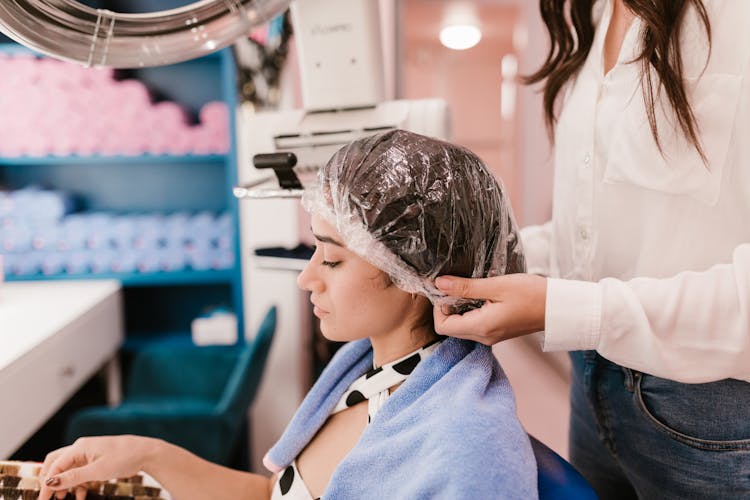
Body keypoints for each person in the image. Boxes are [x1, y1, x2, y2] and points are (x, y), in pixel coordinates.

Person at [37, 130, 537, 500]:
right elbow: (276, 495)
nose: (307, 278)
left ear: (417, 273)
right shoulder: (368, 376)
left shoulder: (467, 447)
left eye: (333, 258)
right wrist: (147, 456)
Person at [433, 0, 750, 498]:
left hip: (712, 422)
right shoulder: (602, 14)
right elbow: (594, 233)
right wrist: (469, 261)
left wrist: (566, 307)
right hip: (592, 388)